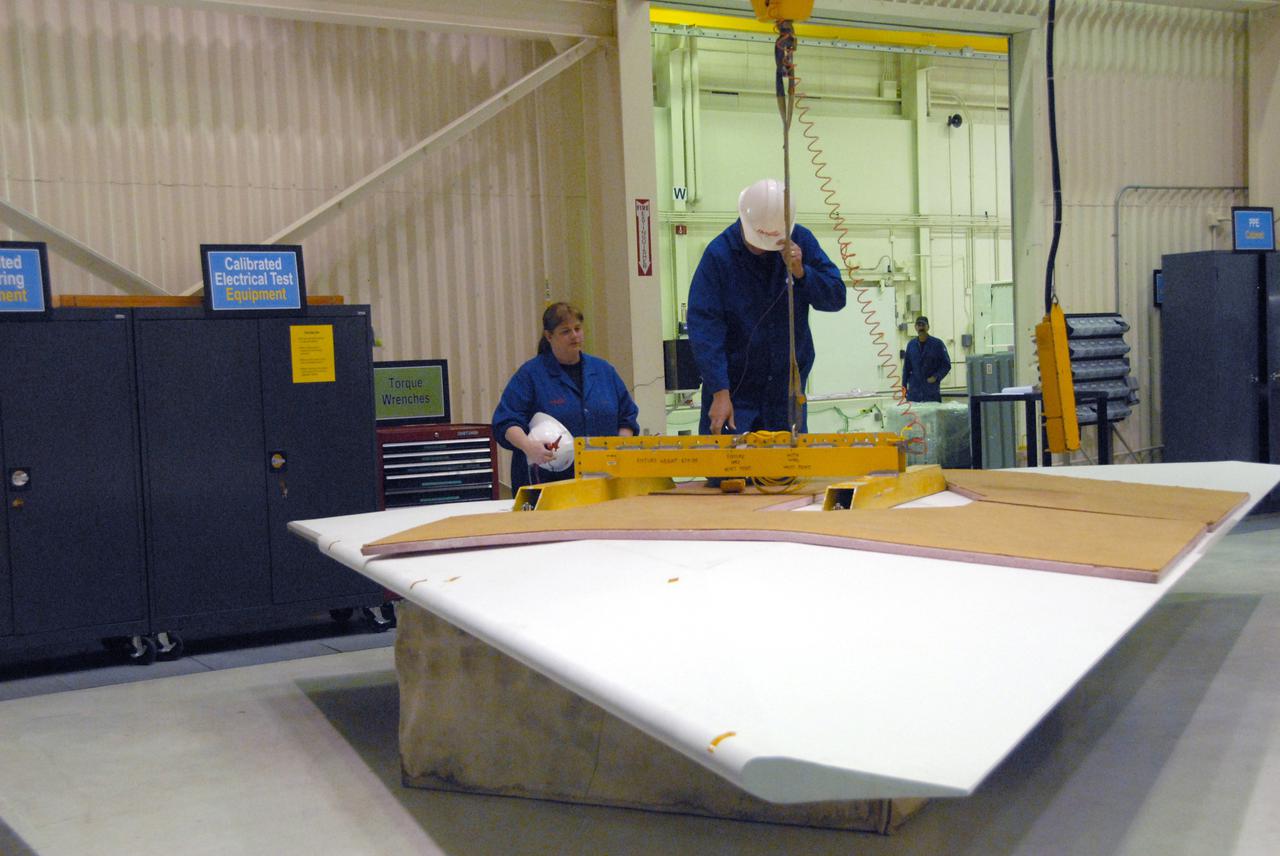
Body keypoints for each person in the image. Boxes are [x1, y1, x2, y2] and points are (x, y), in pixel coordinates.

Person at [686, 178, 845, 435]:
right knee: (728, 471)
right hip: (734, 393)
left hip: (786, 392)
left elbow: (836, 297)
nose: (762, 248)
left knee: (786, 471)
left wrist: (803, 273)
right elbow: (705, 327)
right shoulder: (719, 256)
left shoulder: (801, 242)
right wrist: (719, 391)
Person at [493, 302, 640, 493]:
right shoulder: (531, 374)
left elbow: (627, 417)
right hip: (545, 481)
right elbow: (506, 422)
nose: (574, 335)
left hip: (602, 480)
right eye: (565, 331)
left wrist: (618, 449)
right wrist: (529, 447)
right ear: (549, 336)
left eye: (578, 329)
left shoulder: (604, 371)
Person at [902, 315, 951, 402]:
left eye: (923, 325)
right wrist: (904, 388)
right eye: (919, 325)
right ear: (915, 327)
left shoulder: (937, 344)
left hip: (931, 391)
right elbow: (906, 368)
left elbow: (946, 365)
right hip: (914, 393)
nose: (921, 327)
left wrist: (936, 377)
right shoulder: (911, 345)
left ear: (928, 327)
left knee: (932, 415)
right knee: (915, 415)